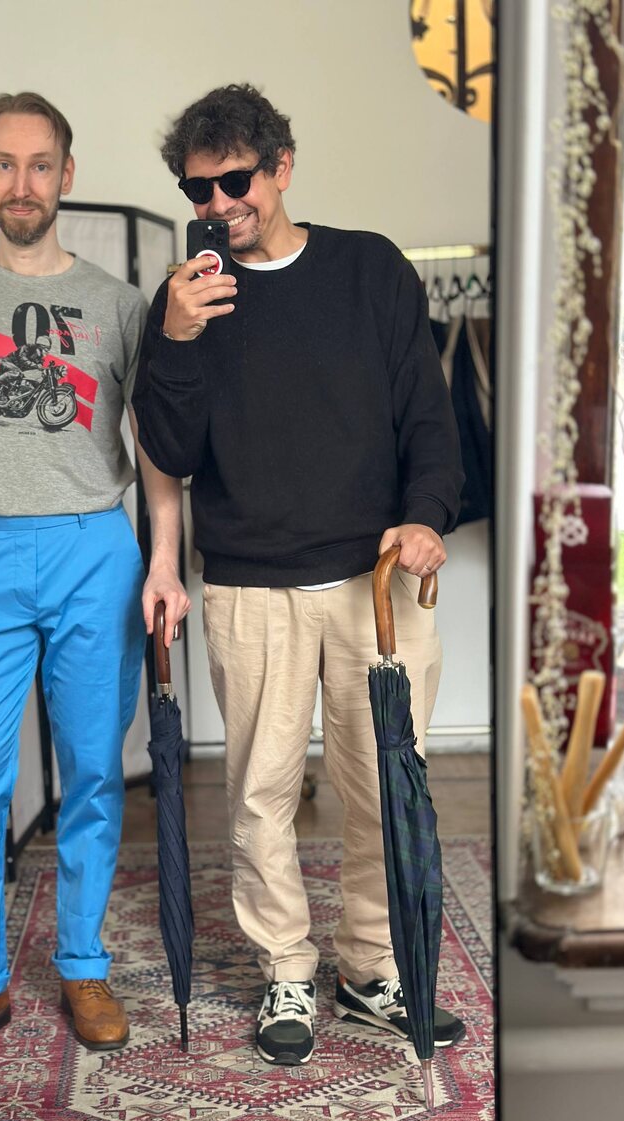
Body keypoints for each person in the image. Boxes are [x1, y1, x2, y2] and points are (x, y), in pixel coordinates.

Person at [133, 83, 466, 1067]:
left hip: (375, 584)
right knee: (259, 797)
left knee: (381, 792)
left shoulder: (370, 269)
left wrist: (426, 514)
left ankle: (371, 969)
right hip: (249, 585)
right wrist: (177, 340)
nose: (219, 204)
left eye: (235, 181)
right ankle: (286, 965)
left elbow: (430, 420)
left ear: (281, 167)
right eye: (198, 190)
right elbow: (169, 451)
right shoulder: (183, 302)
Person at [0, 92, 188, 1071]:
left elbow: (154, 447)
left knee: (94, 768)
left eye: (41, 164)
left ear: (67, 174)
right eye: (6, 163)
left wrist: (161, 559)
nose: (23, 183)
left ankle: (83, 963)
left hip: (94, 549)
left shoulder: (120, 304)